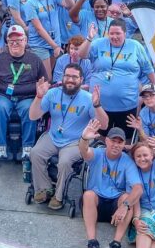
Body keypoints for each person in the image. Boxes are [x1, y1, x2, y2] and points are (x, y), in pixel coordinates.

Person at [29, 64, 107, 211]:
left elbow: (103, 125)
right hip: (53, 136)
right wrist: (39, 97)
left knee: (64, 161)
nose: (70, 80)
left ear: (81, 79)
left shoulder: (88, 98)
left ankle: (58, 197)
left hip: (76, 141)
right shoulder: (52, 94)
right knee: (35, 153)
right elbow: (33, 116)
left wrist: (97, 105)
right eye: (67, 76)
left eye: (74, 77)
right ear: (62, 77)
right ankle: (45, 189)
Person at [80, 19, 155, 139]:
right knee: (101, 136)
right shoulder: (98, 43)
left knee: (125, 138)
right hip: (100, 104)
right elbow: (81, 55)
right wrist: (89, 38)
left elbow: (147, 68)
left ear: (125, 34)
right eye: (111, 33)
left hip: (127, 105)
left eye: (118, 33)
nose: (114, 36)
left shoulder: (135, 46)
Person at [79, 120, 143, 248]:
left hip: (116, 207)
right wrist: (84, 138)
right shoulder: (97, 154)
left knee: (128, 198)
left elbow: (138, 188)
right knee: (88, 195)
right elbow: (84, 151)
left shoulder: (127, 161)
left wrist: (125, 206)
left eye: (120, 142)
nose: (116, 144)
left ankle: (116, 244)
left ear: (123, 144)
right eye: (113, 140)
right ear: (106, 141)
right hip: (97, 202)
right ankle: (92, 242)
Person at [0, 24, 47, 160]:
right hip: (5, 96)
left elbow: (44, 81)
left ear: (25, 41)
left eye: (18, 40)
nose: (15, 43)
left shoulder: (35, 60)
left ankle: (28, 147)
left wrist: (42, 90)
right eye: (11, 40)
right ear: (7, 42)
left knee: (29, 109)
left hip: (27, 96)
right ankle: (0, 146)